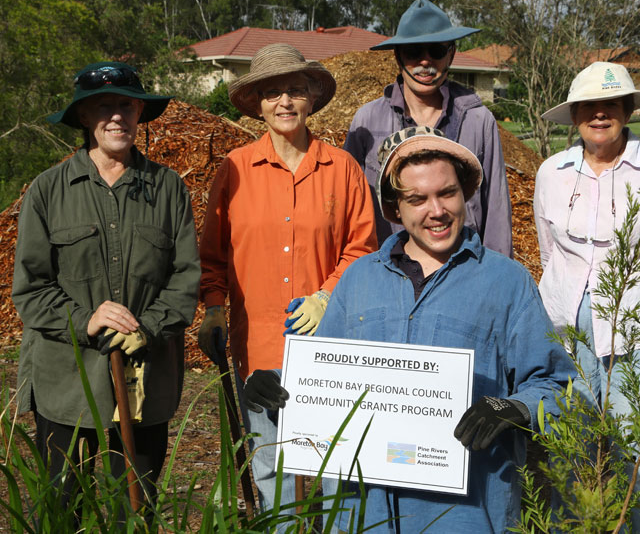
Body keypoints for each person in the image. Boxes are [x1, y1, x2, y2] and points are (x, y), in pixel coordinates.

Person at [312, 126, 575, 533]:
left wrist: (513, 406)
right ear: (395, 208)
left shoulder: (506, 282)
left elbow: (559, 385)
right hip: (365, 511)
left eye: (447, 193)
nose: (436, 210)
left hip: (465, 512)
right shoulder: (359, 279)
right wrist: (279, 384)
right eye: (417, 199)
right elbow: (325, 376)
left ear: (465, 195)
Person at [12, 62, 200, 510]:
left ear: (139, 113)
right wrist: (87, 319)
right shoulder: (48, 190)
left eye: (127, 105)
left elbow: (185, 277)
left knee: (134, 510)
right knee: (62, 507)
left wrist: (148, 326)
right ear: (83, 118)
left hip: (143, 385)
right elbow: (31, 289)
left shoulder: (168, 188)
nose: (117, 116)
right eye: (104, 106)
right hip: (66, 387)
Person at [197, 43, 377, 511]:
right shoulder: (235, 169)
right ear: (257, 104)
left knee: (336, 464)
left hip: (329, 343)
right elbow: (212, 255)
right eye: (273, 92)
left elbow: (363, 248)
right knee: (271, 463)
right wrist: (214, 310)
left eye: (295, 90)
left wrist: (326, 295)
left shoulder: (342, 169)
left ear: (312, 97)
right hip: (258, 343)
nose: (285, 102)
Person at [535, 61, 640, 528]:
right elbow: (550, 253)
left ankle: (638, 524)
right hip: (569, 325)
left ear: (627, 110)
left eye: (611, 105)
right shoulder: (552, 172)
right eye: (589, 106)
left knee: (639, 446)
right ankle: (578, 523)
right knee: (573, 440)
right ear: (575, 114)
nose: (600, 114)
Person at [343, 0, 513, 257]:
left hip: (462, 265)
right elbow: (348, 204)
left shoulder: (478, 120)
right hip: (390, 266)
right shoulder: (368, 121)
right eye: (413, 52)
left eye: (436, 50)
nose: (425, 62)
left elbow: (496, 210)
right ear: (398, 56)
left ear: (451, 53)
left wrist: (499, 278)